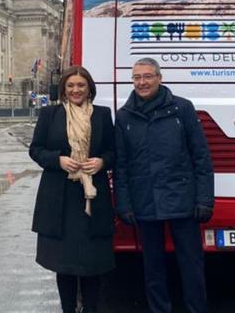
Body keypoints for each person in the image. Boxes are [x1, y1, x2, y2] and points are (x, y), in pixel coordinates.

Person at [114, 57, 213, 313]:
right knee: (153, 267)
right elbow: (121, 165)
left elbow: (200, 157)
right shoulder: (124, 116)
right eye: (137, 78)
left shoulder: (182, 109)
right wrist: (123, 205)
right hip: (144, 201)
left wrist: (204, 200)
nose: (142, 82)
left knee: (191, 265)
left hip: (183, 200)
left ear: (159, 78)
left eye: (147, 76)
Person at [30, 66, 116, 313]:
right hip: (60, 198)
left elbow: (113, 151)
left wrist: (102, 162)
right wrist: (58, 160)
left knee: (93, 263)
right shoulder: (50, 114)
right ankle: (68, 309)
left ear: (89, 88)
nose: (76, 90)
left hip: (92, 198)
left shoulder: (101, 114)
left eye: (80, 85)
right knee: (64, 264)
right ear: (64, 90)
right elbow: (36, 149)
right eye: (70, 86)